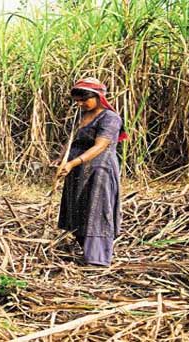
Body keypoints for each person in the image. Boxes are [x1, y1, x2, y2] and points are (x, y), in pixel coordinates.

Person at [56, 78, 126, 266]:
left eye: (83, 100)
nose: (79, 104)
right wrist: (61, 159)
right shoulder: (82, 116)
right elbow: (71, 141)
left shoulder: (110, 118)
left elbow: (101, 145)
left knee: (97, 210)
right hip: (78, 171)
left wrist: (73, 163)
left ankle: (97, 260)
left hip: (99, 170)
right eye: (77, 101)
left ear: (98, 97)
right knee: (78, 208)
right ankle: (86, 251)